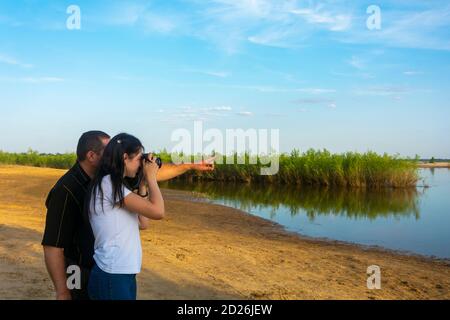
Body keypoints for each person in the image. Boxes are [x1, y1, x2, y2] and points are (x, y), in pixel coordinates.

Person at [42, 130, 214, 300]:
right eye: (108, 152)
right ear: (92, 156)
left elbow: (147, 197)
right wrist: (62, 290)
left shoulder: (112, 179)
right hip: (80, 267)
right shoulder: (67, 189)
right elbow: (53, 244)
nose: (113, 154)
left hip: (104, 264)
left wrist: (189, 165)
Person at [87, 133, 163, 300]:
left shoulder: (115, 187)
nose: (140, 165)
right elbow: (158, 211)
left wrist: (143, 185)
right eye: (138, 159)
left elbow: (143, 223)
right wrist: (151, 177)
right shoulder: (109, 185)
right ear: (124, 158)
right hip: (113, 273)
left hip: (121, 272)